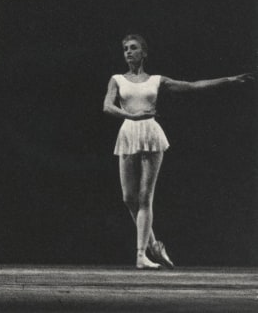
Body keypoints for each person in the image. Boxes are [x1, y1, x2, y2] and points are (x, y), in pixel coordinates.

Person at [102, 34, 253, 269]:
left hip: (151, 134)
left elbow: (192, 86)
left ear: (144, 52)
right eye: (125, 49)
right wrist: (131, 115)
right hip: (128, 133)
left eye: (133, 48)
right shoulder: (117, 79)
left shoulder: (157, 80)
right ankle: (154, 245)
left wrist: (228, 80)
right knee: (128, 198)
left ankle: (141, 255)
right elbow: (107, 107)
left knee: (144, 197)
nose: (128, 52)